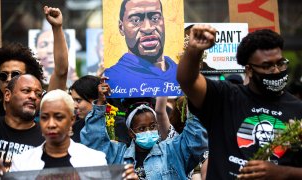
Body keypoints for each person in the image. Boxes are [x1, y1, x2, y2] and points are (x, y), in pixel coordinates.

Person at [177, 25, 302, 179]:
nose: (276, 71)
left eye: (280, 63)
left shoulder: (298, 109)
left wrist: (282, 173)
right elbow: (188, 81)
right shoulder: (224, 98)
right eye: (267, 66)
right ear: (249, 70)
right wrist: (194, 50)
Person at [0, 89, 138, 180]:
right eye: (44, 117)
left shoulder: (94, 160)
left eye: (59, 117)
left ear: (71, 120)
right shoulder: (21, 162)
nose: (51, 124)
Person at [80, 81, 208, 179]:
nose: (148, 131)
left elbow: (195, 139)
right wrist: (100, 104)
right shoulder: (117, 155)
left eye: (153, 126)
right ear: (131, 132)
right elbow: (94, 143)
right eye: (141, 128)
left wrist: (192, 89)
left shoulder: (172, 150)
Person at [0, 6, 68, 117]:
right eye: (3, 76)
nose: (9, 79)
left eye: (16, 74)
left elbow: (61, 72)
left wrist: (57, 27)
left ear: (31, 77)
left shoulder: (41, 106)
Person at [104, 0, 180, 97]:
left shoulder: (181, 74)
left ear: (163, 22)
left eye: (155, 18)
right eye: (135, 20)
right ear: (121, 27)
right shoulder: (111, 78)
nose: (148, 28)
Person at [0, 74, 44, 172]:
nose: (33, 96)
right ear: (7, 95)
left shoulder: (46, 139)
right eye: (26, 91)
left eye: (38, 94)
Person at [68, 75, 100, 142]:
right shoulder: (74, 127)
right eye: (73, 100)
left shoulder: (115, 125)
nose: (74, 106)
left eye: (78, 100)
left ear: (95, 99)